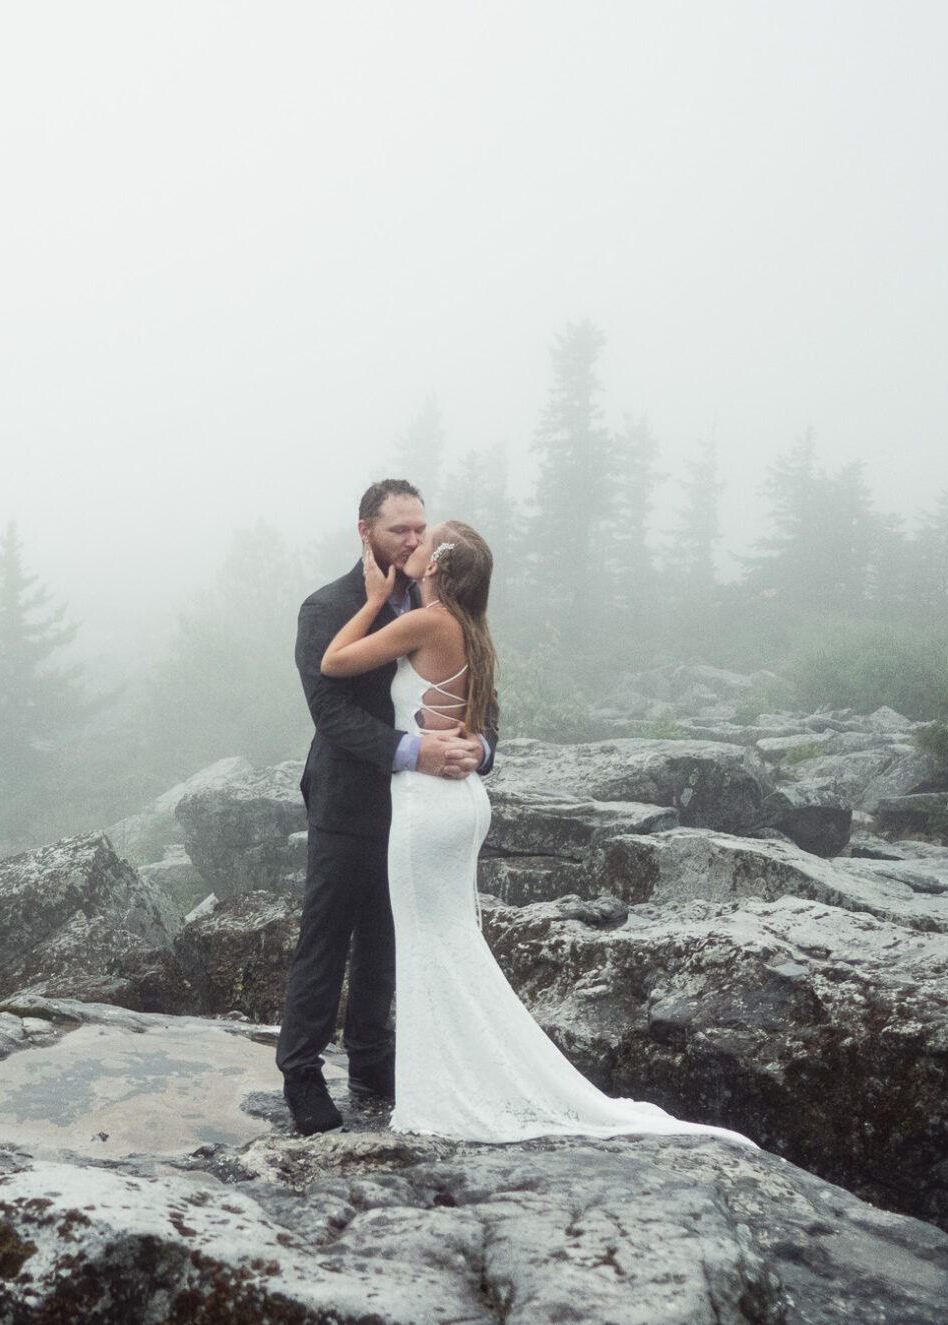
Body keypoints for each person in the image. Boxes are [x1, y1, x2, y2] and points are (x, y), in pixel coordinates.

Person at [316, 515, 755, 1146]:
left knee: (426, 946)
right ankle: (465, 1074)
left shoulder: (427, 620)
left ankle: (441, 1096)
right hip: (462, 800)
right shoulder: (472, 629)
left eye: (425, 540)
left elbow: (334, 662)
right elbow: (478, 722)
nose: (411, 546)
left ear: (436, 566)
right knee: (452, 942)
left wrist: (377, 600)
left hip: (426, 804)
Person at [277, 479, 488, 1133]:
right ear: (365, 532)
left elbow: (474, 694)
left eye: (420, 528)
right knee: (327, 935)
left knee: (385, 938)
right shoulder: (326, 607)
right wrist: (412, 751)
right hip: (349, 797)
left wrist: (478, 751)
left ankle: (371, 1062)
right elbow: (330, 712)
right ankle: (302, 1075)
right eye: (401, 529)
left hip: (419, 807)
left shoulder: (442, 600)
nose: (415, 540)